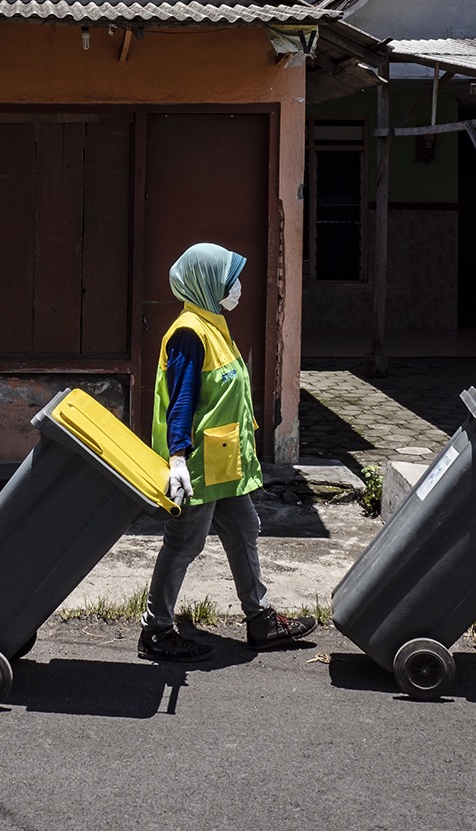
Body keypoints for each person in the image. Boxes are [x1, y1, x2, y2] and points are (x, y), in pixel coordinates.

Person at [138, 242, 316, 661]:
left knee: (245, 530)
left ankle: (260, 620)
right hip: (198, 466)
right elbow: (181, 401)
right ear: (206, 282)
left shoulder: (213, 325)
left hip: (225, 464)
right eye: (230, 279)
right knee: (183, 545)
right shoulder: (189, 333)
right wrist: (177, 459)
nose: (237, 287)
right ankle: (156, 630)